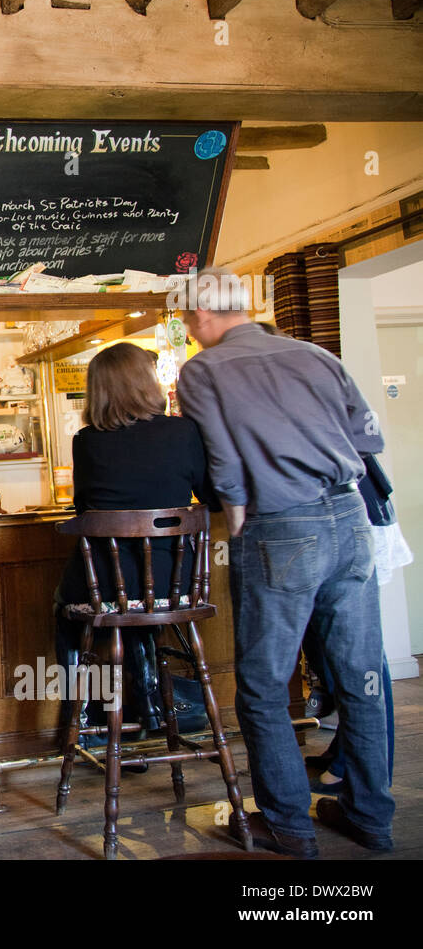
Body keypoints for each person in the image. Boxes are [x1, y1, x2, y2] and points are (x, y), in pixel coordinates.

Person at [176, 267, 395, 857]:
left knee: (264, 688)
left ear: (200, 313)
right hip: (350, 520)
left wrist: (241, 514)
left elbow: (220, 456)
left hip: (280, 526)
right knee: (361, 678)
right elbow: (369, 437)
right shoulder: (314, 354)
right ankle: (371, 817)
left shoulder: (202, 370)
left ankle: (289, 826)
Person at [56, 342, 216, 744]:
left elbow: (83, 509)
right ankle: (151, 705)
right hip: (177, 587)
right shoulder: (183, 431)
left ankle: (91, 721)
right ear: (147, 383)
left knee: (65, 610)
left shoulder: (86, 441)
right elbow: (210, 496)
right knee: (141, 617)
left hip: (107, 587)